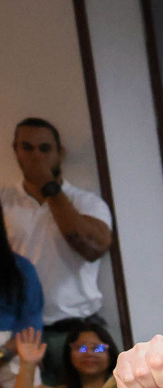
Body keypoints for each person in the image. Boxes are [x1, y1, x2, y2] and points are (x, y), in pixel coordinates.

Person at [5, 118, 112, 337]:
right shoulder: (5, 201)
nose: (36, 156)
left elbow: (93, 249)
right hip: (19, 330)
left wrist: (48, 186)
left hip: (75, 328)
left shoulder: (86, 202)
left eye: (44, 149)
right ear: (16, 151)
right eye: (27, 148)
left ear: (60, 153)